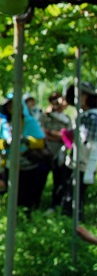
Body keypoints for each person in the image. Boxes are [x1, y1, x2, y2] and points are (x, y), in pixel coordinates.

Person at [0, 95, 47, 213]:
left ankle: (27, 215)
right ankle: (13, 213)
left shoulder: (30, 122)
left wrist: (25, 140)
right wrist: (5, 143)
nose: (12, 108)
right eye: (9, 106)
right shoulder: (5, 123)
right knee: (12, 191)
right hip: (10, 163)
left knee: (26, 192)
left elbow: (41, 142)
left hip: (27, 164)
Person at [61, 81, 97, 220]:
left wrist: (89, 170)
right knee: (70, 194)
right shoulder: (84, 115)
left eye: (81, 95)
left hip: (83, 165)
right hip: (77, 163)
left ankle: (75, 225)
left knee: (75, 198)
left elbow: (94, 146)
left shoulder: (92, 117)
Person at [39, 91, 72, 210]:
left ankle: (55, 205)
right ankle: (36, 204)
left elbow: (68, 136)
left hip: (60, 154)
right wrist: (60, 135)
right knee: (40, 180)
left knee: (59, 181)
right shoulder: (45, 116)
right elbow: (42, 133)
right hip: (45, 153)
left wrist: (52, 133)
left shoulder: (67, 119)